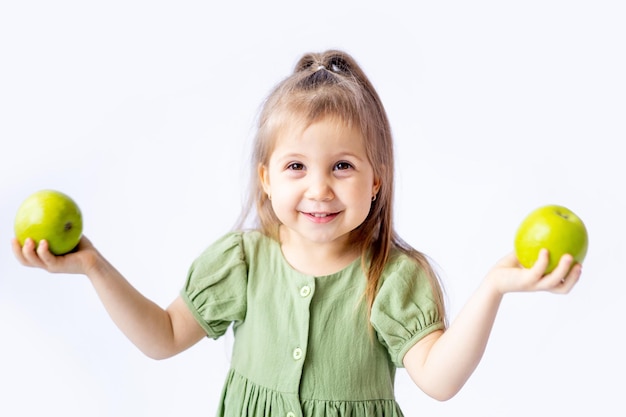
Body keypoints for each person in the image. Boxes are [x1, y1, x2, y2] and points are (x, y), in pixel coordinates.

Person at [11, 50, 582, 417]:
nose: (319, 189)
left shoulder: (393, 276)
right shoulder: (242, 261)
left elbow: (439, 381)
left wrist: (492, 289)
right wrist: (92, 265)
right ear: (265, 177)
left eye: (342, 166)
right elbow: (162, 337)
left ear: (376, 180)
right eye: (295, 167)